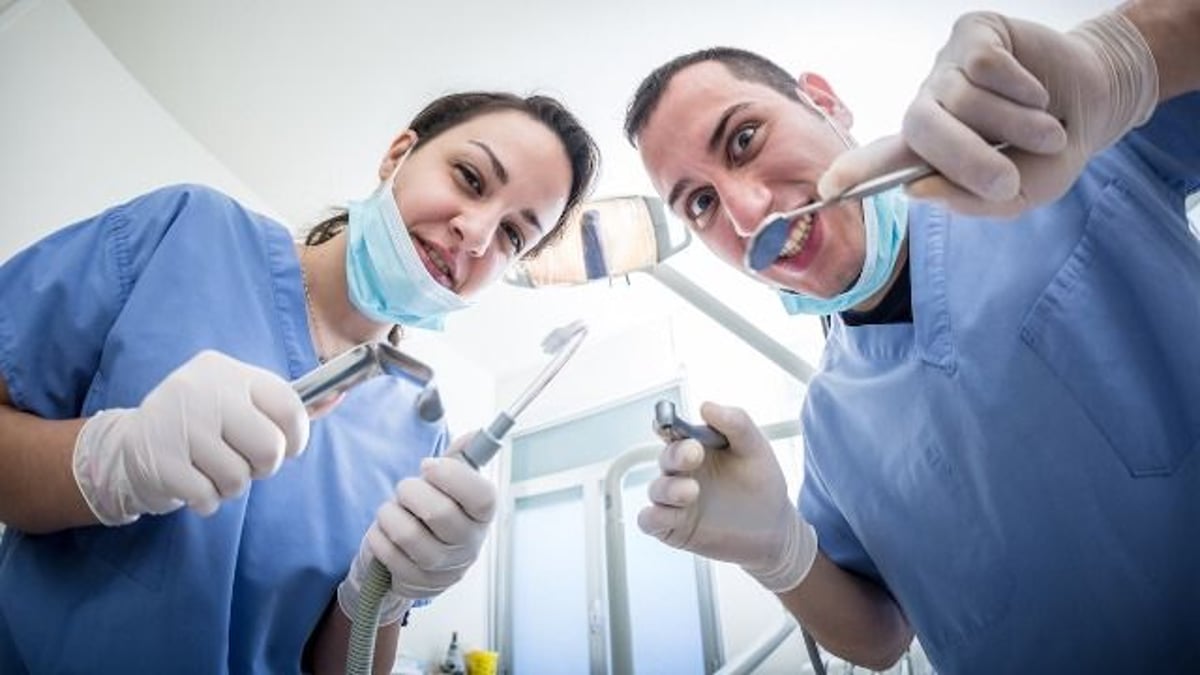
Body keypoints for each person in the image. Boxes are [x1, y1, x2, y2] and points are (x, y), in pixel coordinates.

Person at [623, 0, 1199, 672]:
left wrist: (1122, 58)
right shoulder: (833, 427)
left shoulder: (1065, 159)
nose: (746, 215)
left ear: (825, 103)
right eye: (701, 203)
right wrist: (778, 551)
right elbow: (881, 635)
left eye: (744, 138)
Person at [0, 90, 599, 673]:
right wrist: (113, 462)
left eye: (514, 236)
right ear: (398, 155)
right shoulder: (186, 231)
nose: (477, 233)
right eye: (470, 177)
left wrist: (381, 591)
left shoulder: (420, 428)